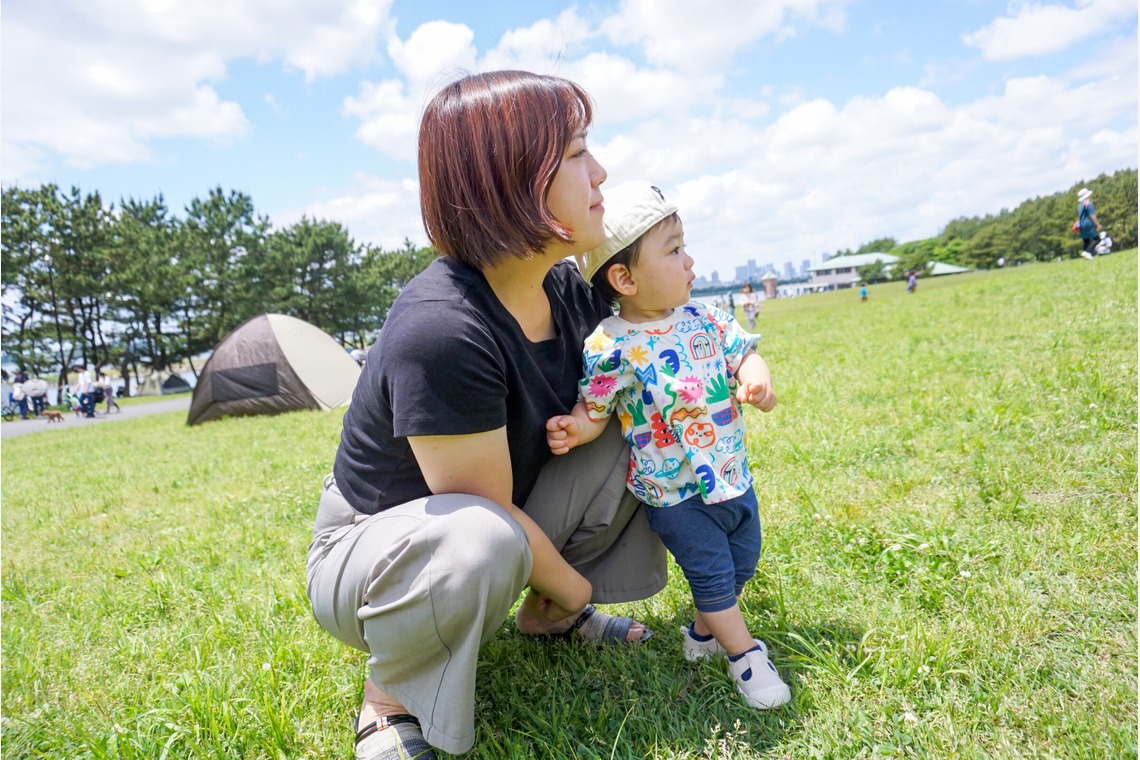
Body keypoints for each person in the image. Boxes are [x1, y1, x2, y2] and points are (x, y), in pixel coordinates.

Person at [305, 71, 668, 760]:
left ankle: (546, 618)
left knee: (643, 424)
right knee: (480, 539)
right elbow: (483, 510)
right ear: (514, 182)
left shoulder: (561, 288)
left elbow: (645, 345)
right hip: (377, 554)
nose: (603, 172)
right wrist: (577, 586)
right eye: (577, 153)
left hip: (489, 515)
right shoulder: (442, 328)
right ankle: (391, 696)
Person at [547, 180, 792, 711]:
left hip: (731, 476)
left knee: (742, 563)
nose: (689, 261)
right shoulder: (611, 344)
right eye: (674, 249)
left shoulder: (707, 319)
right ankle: (745, 656)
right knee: (712, 573)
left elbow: (743, 353)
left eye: (685, 246)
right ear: (624, 278)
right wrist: (577, 428)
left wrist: (757, 379)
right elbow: (598, 407)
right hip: (675, 495)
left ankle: (703, 636)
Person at [1075, 187, 1103, 260]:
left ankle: (1086, 254)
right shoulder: (1089, 204)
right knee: (1097, 239)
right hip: (1088, 223)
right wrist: (1098, 224)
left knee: (1086, 240)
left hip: (1082, 224)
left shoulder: (1080, 205)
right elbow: (1092, 215)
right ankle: (1087, 252)